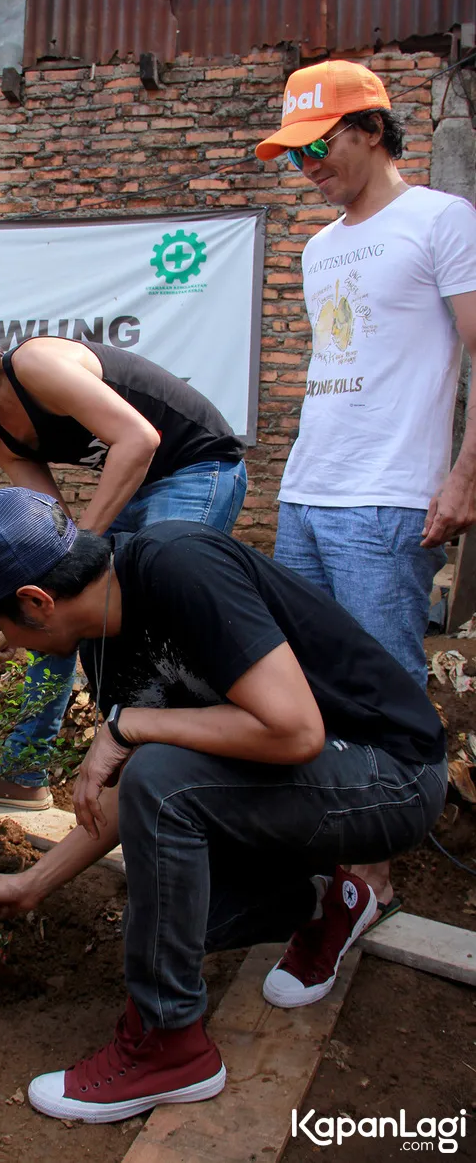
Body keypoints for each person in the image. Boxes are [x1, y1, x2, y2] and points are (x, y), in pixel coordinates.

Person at [0, 487, 445, 1124]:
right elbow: (131, 792)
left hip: (390, 775)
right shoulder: (100, 636)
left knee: (160, 778)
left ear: (37, 602)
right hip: (305, 790)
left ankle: (170, 1048)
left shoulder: (179, 566)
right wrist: (34, 882)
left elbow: (294, 732)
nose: (2, 643)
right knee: (175, 917)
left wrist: (127, 727)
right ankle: (325, 901)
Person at [255, 59, 476, 913]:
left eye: (320, 144)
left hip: (388, 498)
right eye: (294, 154)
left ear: (374, 129)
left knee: (380, 686)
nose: (307, 165)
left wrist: (463, 475)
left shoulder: (441, 220)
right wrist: (292, 486)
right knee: (302, 682)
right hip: (310, 493)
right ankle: (324, 844)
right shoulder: (319, 246)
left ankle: (372, 875)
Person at [0, 324, 247, 809]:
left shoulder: (34, 365)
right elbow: (46, 536)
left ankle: (171, 792)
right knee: (51, 605)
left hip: (195, 467)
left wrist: (79, 553)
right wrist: (11, 615)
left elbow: (138, 439)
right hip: (139, 479)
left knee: (159, 617)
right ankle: (23, 773)